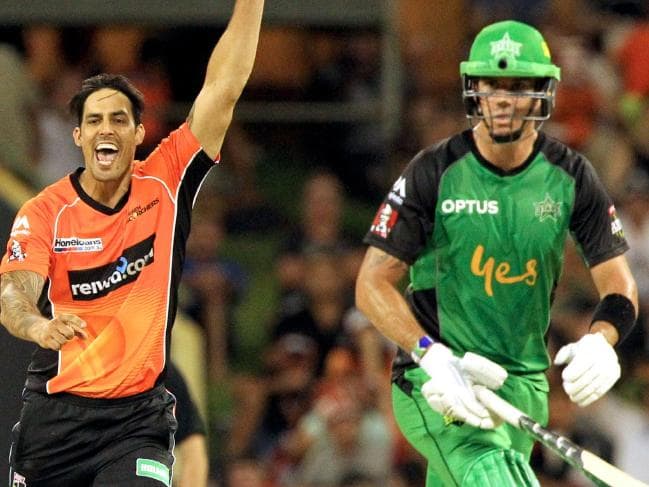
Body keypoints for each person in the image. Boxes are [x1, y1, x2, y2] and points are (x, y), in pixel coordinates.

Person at [355, 20, 638, 486]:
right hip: (441, 383)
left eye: (518, 86)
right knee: (494, 475)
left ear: (544, 91)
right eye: (491, 84)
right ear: (474, 89)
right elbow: (370, 284)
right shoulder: (434, 172)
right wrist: (431, 356)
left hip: (523, 388)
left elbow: (619, 284)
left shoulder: (571, 176)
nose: (503, 99)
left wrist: (602, 339)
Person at [0, 1, 264, 485]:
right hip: (54, 424)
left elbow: (222, 91)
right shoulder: (43, 211)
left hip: (136, 423)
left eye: (119, 119)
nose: (107, 129)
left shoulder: (166, 182)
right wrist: (37, 326)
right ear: (78, 136)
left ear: (140, 133)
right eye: (95, 120)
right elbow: (14, 292)